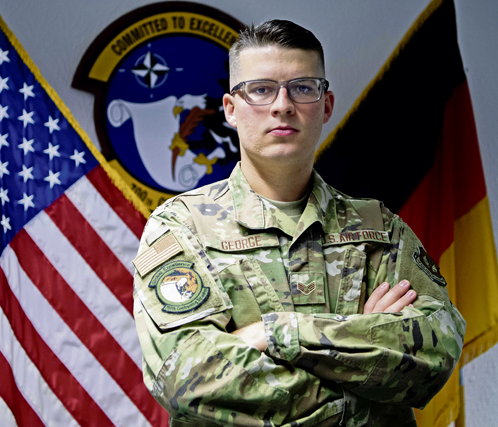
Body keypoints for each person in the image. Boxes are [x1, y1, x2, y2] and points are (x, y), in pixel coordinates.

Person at [132, 19, 465, 426]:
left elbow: (435, 354)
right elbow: (190, 377)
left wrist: (277, 333)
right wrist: (360, 357)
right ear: (231, 110)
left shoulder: (380, 228)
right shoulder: (183, 227)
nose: (282, 105)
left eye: (303, 87)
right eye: (261, 89)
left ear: (325, 106)